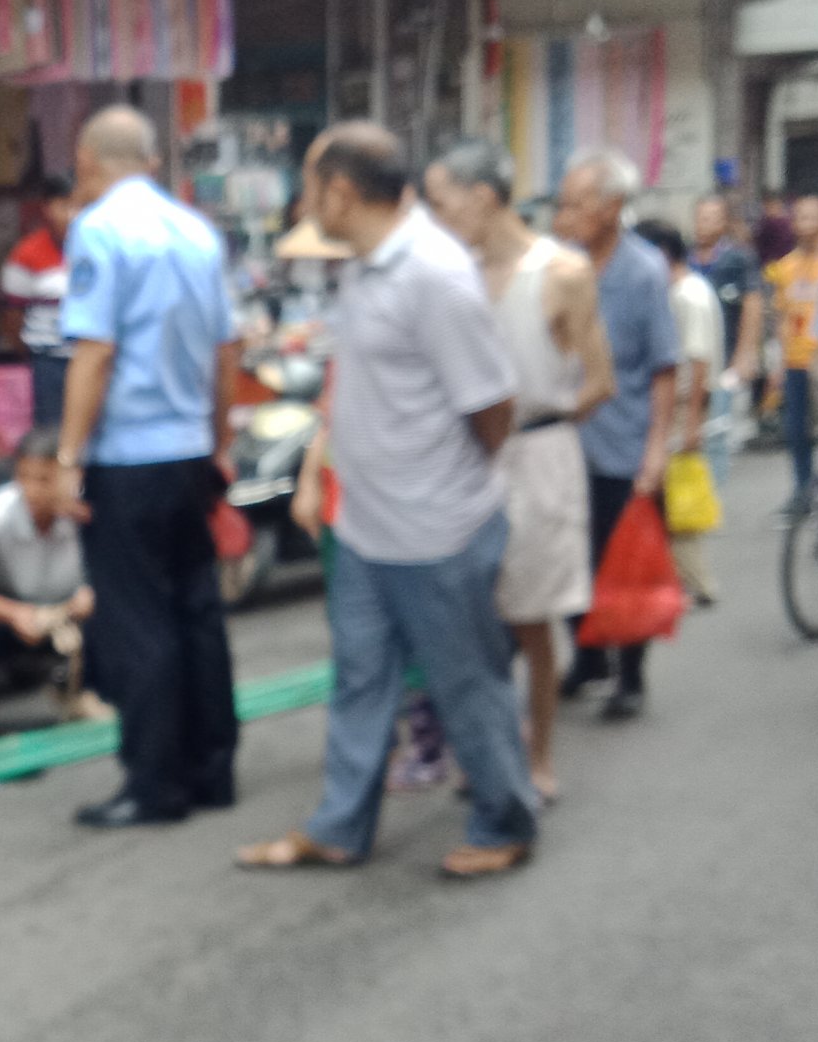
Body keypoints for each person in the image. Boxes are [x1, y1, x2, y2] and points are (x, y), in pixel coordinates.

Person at [236, 123, 538, 880]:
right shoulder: (366, 268)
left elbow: (492, 406)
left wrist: (448, 489)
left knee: (466, 683)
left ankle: (505, 822)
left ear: (340, 193)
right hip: (367, 527)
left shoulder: (434, 273)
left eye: (310, 188)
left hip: (438, 529)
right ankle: (340, 827)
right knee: (361, 680)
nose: (304, 204)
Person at [52, 106, 240, 829]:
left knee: (137, 621)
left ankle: (154, 782)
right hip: (189, 448)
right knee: (197, 609)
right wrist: (217, 442)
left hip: (129, 454)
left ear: (86, 160)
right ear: (151, 162)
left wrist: (68, 458)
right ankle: (212, 768)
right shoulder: (198, 232)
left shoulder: (98, 229)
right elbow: (227, 349)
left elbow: (94, 353)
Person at [423, 138, 614, 803]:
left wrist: (544, 421)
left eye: (443, 203)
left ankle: (539, 757)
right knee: (472, 618)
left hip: (539, 457)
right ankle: (486, 749)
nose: (436, 218)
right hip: (469, 457)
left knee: (533, 621)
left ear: (482, 198)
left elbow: (600, 381)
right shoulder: (455, 276)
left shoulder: (562, 272)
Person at [551, 150, 681, 721]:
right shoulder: (558, 265)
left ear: (613, 207)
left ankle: (630, 674)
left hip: (623, 443)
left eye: (578, 203)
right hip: (563, 441)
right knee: (566, 559)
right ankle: (588, 655)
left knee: (624, 565)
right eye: (564, 203)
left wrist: (656, 450)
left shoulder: (644, 271)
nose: (566, 214)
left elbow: (663, 368)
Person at [0, 426, 111, 745]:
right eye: (24, 478)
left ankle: (86, 693)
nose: (32, 490)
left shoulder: (87, 510)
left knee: (110, 604)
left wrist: (93, 590)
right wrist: (16, 614)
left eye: (44, 480)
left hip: (70, 615)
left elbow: (118, 569)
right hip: (14, 615)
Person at [639, 220, 727, 607]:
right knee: (668, 495)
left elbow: (699, 359)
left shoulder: (691, 295)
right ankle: (676, 582)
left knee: (678, 498)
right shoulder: (674, 291)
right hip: (675, 404)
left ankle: (698, 583)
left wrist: (692, 421)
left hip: (685, 404)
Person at [744, 192, 818, 512]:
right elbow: (782, 317)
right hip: (795, 360)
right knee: (797, 430)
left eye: (812, 216)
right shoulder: (784, 268)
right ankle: (802, 489)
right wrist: (778, 363)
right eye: (799, 217)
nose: (805, 224)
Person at [0, 174, 76, 428]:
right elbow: (12, 318)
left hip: (93, 358)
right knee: (51, 434)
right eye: (64, 205)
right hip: (48, 363)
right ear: (47, 208)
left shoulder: (99, 249)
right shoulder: (26, 254)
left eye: (80, 205)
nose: (72, 215)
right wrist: (33, 354)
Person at [693, 192, 765, 380]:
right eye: (700, 218)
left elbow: (753, 304)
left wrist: (745, 354)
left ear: (724, 222)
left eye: (710, 218)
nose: (703, 224)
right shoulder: (687, 259)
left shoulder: (739, 259)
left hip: (728, 348)